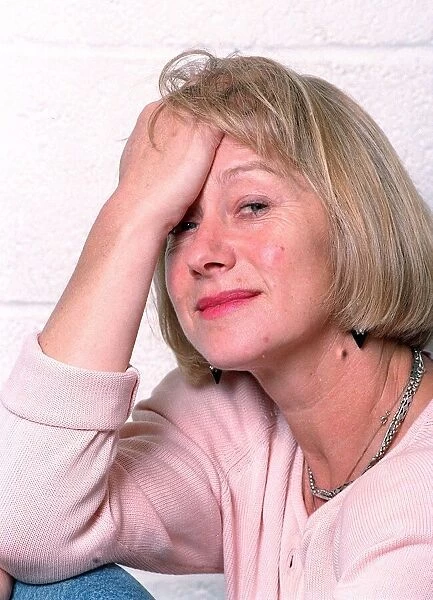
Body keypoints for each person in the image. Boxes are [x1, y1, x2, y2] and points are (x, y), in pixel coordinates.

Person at [1, 49, 433, 599]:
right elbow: (22, 522)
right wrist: (133, 211)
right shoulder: (235, 419)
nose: (204, 253)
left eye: (252, 206)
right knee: (55, 586)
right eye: (180, 223)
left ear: (359, 226)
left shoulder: (421, 502)